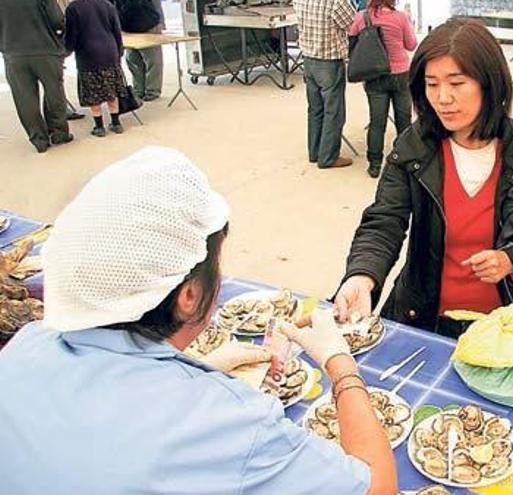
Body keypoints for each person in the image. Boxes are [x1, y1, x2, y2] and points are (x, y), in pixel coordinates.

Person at [0, 146, 398, 495]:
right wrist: (339, 362)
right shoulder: (234, 424)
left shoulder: (24, 347)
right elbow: (378, 487)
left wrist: (200, 370)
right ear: (189, 296)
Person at [333, 19, 513, 337]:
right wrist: (362, 278)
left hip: (508, 325)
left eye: (456, 83)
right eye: (432, 84)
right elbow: (384, 221)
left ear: (489, 83)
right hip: (425, 318)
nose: (443, 97)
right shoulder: (414, 146)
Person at [349, 0, 417, 179]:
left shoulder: (362, 17)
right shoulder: (400, 18)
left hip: (374, 75)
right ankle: (404, 159)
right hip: (400, 74)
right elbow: (411, 45)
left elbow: (352, 39)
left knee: (377, 122)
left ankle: (374, 164)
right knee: (404, 119)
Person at [0, 0, 73, 152]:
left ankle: (39, 139)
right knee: (54, 91)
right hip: (46, 49)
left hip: (14, 54)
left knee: (24, 99)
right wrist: (58, 36)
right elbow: (57, 20)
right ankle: (59, 133)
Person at [293, 0, 356, 169]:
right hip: (329, 61)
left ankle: (314, 153)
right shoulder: (335, 1)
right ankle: (328, 157)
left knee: (315, 109)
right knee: (333, 111)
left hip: (308, 59)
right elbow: (353, 24)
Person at [64, 0, 128, 137]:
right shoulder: (107, 5)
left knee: (93, 91)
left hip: (87, 53)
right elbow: (117, 30)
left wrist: (66, 51)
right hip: (109, 51)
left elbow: (71, 34)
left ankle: (99, 127)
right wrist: (119, 50)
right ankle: (116, 123)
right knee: (111, 89)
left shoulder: (73, 8)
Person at [118, 0, 164, 101]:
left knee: (152, 61)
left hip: (148, 25)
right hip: (129, 28)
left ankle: (152, 91)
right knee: (133, 60)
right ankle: (138, 90)